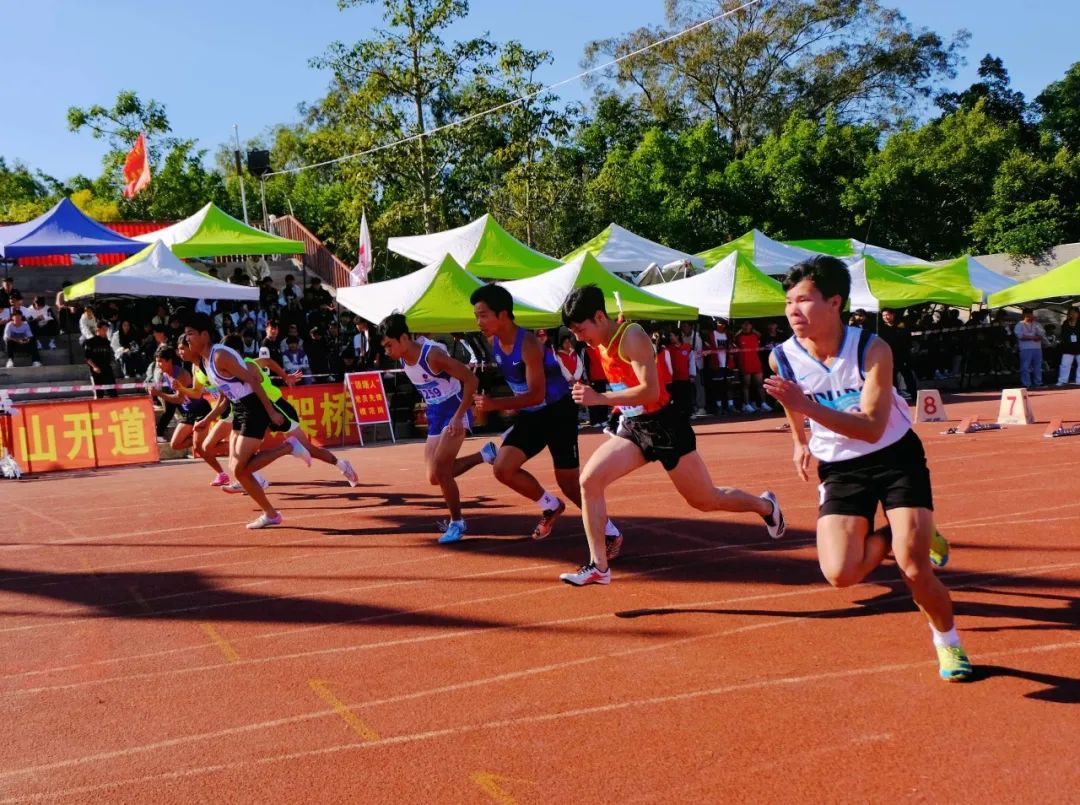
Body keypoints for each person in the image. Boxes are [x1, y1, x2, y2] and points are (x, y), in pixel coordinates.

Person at [763, 255, 971, 682]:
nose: (793, 311)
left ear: (834, 302)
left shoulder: (872, 349)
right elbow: (790, 399)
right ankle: (901, 532)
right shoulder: (782, 357)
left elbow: (873, 428)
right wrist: (799, 439)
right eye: (788, 302)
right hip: (841, 468)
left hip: (894, 457)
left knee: (914, 568)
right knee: (841, 574)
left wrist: (806, 408)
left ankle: (947, 642)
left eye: (803, 300)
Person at [559, 284, 785, 586]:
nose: (577, 337)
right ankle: (599, 566)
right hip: (634, 428)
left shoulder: (632, 336)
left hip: (666, 426)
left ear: (599, 316)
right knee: (589, 480)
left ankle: (765, 506)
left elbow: (650, 390)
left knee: (705, 500)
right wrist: (614, 407)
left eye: (580, 329)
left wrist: (600, 399)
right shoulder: (599, 342)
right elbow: (626, 386)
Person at [470, 283, 621, 548]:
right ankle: (550, 505)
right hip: (532, 415)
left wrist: (496, 404)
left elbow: (537, 395)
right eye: (476, 316)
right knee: (503, 468)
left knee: (569, 483)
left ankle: (610, 532)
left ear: (503, 314)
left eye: (483, 315)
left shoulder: (528, 344)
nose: (478, 322)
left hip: (558, 411)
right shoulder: (493, 342)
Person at [184, 312, 305, 529]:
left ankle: (288, 448)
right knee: (236, 468)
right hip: (239, 408)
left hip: (253, 408)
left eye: (190, 334)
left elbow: (253, 380)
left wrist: (271, 413)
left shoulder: (220, 356)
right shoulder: (205, 361)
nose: (187, 339)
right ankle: (271, 514)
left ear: (204, 335)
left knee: (241, 469)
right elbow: (224, 396)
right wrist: (208, 419)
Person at [378, 314, 487, 543]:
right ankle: (484, 455)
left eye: (389, 345)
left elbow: (471, 379)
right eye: (384, 347)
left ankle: (457, 523)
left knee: (442, 470)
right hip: (435, 413)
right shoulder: (403, 357)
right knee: (433, 477)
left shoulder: (433, 356)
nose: (386, 351)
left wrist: (458, 416)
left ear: (404, 338)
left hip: (454, 408)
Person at [148, 341, 214, 455]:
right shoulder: (165, 374)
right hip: (188, 413)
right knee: (175, 444)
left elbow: (179, 399)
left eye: (160, 361)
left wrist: (159, 394)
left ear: (169, 361)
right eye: (157, 361)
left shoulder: (181, 374)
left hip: (200, 409)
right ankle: (204, 439)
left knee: (200, 447)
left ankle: (208, 440)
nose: (158, 365)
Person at [735, 321, 767, 413]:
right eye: (744, 324)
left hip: (756, 363)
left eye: (748, 324)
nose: (746, 326)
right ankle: (746, 404)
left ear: (751, 325)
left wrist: (753, 330)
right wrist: (741, 330)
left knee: (759, 384)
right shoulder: (738, 337)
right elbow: (734, 338)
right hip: (744, 363)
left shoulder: (755, 335)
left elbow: (761, 337)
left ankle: (763, 404)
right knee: (746, 385)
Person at [664, 330, 696, 418]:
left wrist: (692, 375)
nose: (670, 338)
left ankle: (688, 413)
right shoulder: (668, 349)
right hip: (673, 378)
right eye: (670, 336)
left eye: (672, 335)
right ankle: (678, 414)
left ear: (677, 336)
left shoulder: (687, 347)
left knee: (686, 396)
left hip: (685, 377)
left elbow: (692, 361)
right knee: (676, 397)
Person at [84, 320, 117, 397]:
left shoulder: (107, 342)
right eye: (104, 330)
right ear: (98, 329)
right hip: (96, 370)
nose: (105, 332)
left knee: (113, 393)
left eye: (106, 330)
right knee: (99, 394)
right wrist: (94, 367)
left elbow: (109, 355)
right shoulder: (90, 342)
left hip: (107, 369)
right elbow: (87, 357)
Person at [1014, 308, 1045, 388]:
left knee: (1037, 366)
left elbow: (1041, 335)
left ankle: (1038, 382)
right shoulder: (1019, 324)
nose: (1029, 316)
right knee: (1025, 367)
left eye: (1030, 314)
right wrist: (1033, 337)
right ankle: (1026, 383)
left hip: (1037, 348)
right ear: (1023, 315)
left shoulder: (1037, 324)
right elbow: (1020, 336)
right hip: (1025, 348)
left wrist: (1034, 337)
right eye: (1027, 314)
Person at [1057, 307, 1080, 386]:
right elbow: (1063, 334)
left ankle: (1079, 381)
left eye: (1074, 312)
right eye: (1071, 312)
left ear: (1078, 314)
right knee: (1064, 364)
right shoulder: (1066, 322)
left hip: (1079, 346)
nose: (1073, 314)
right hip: (1068, 347)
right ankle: (1062, 381)